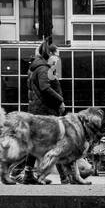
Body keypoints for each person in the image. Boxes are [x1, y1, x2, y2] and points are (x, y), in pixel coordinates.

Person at [18, 40, 65, 183]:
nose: (58, 58)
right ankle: (62, 176)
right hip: (44, 111)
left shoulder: (37, 68)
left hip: (38, 110)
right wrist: (60, 100)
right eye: (56, 54)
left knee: (39, 143)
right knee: (55, 142)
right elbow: (45, 88)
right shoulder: (43, 69)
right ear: (49, 54)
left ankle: (29, 173)